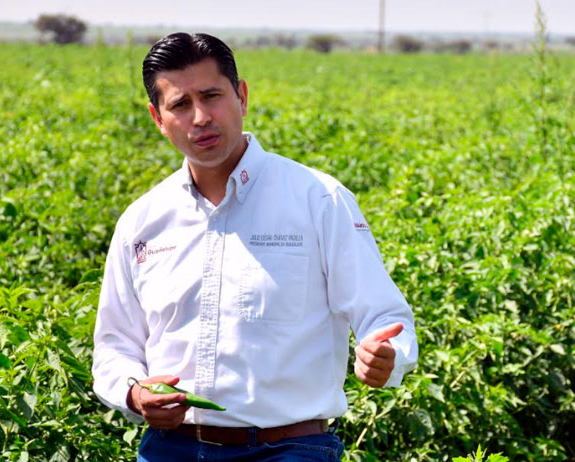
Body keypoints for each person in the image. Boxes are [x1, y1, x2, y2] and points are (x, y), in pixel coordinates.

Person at [91, 32, 418, 461]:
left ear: (241, 95)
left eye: (212, 96)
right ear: (157, 117)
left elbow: (385, 316)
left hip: (290, 448)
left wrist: (387, 355)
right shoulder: (143, 220)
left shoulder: (317, 199)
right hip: (170, 449)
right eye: (180, 105)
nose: (201, 117)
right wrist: (135, 393)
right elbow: (115, 346)